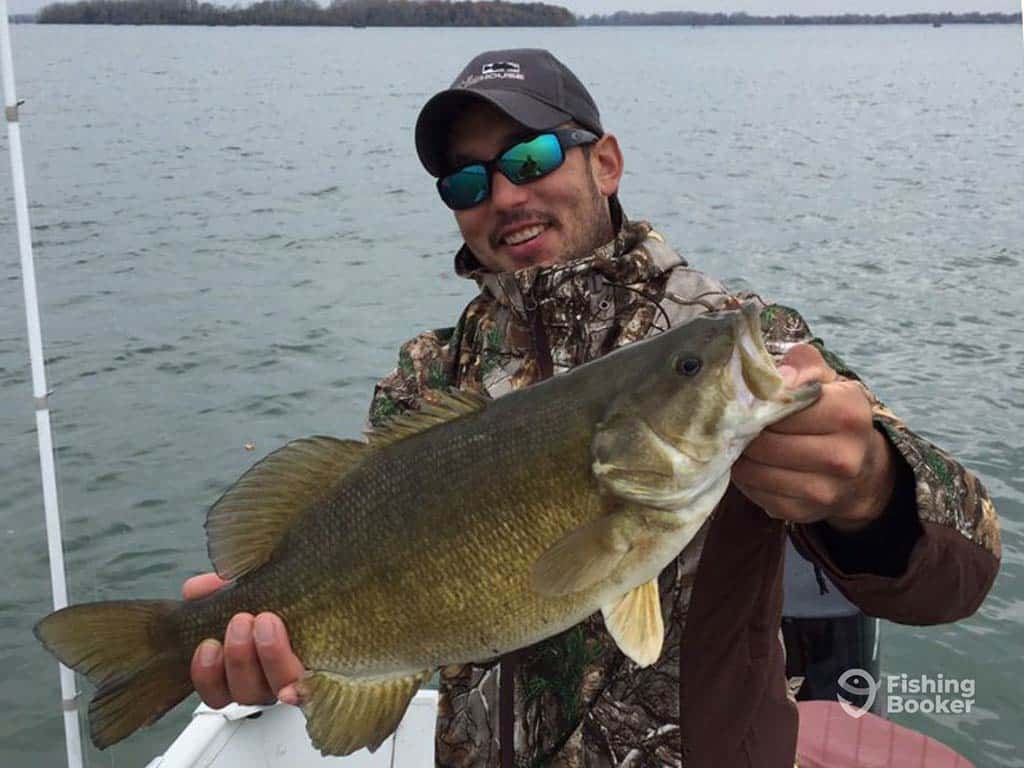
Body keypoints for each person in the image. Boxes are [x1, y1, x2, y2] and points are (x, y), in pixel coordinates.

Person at [183, 49, 1001, 767]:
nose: (504, 194)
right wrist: (284, 648)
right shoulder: (431, 376)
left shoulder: (726, 343)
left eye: (531, 156)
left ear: (604, 161)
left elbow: (960, 574)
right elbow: (390, 593)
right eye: (468, 179)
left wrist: (872, 491)